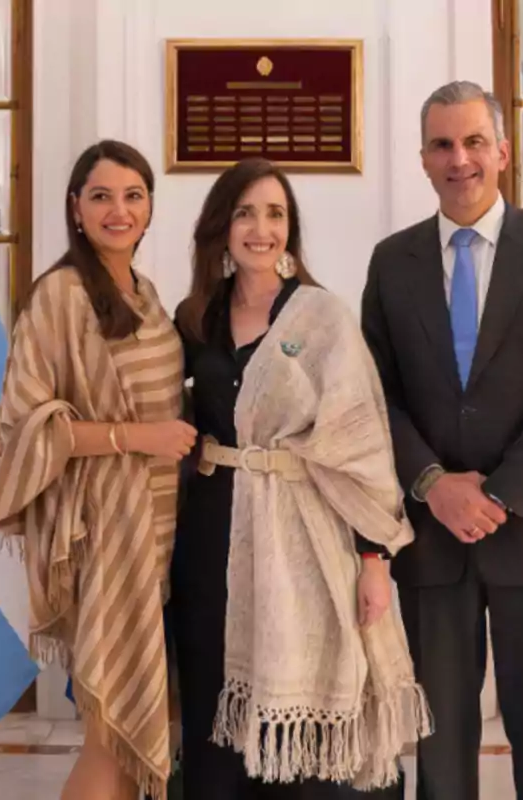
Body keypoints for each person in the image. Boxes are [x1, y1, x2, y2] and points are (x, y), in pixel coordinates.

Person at [360, 81, 523, 800]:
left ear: (502, 150)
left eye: (473, 142)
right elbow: (378, 397)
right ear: (423, 158)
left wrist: (498, 493)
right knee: (438, 743)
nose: (459, 159)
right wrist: (434, 485)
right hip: (432, 536)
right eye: (443, 144)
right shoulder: (391, 261)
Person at [170, 157, 430, 800]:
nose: (261, 228)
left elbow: (361, 446)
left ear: (291, 229)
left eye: (276, 214)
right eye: (245, 213)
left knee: (299, 728)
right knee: (211, 708)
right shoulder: (194, 315)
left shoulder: (321, 317)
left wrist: (374, 559)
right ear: (221, 228)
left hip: (304, 544)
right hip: (208, 540)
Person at [0, 140, 197, 800]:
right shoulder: (60, 296)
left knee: (143, 730)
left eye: (133, 196)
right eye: (101, 196)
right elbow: (26, 427)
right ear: (75, 208)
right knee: (110, 738)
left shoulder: (145, 291)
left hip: (161, 537)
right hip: (104, 538)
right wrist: (141, 436)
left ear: (150, 208)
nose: (118, 210)